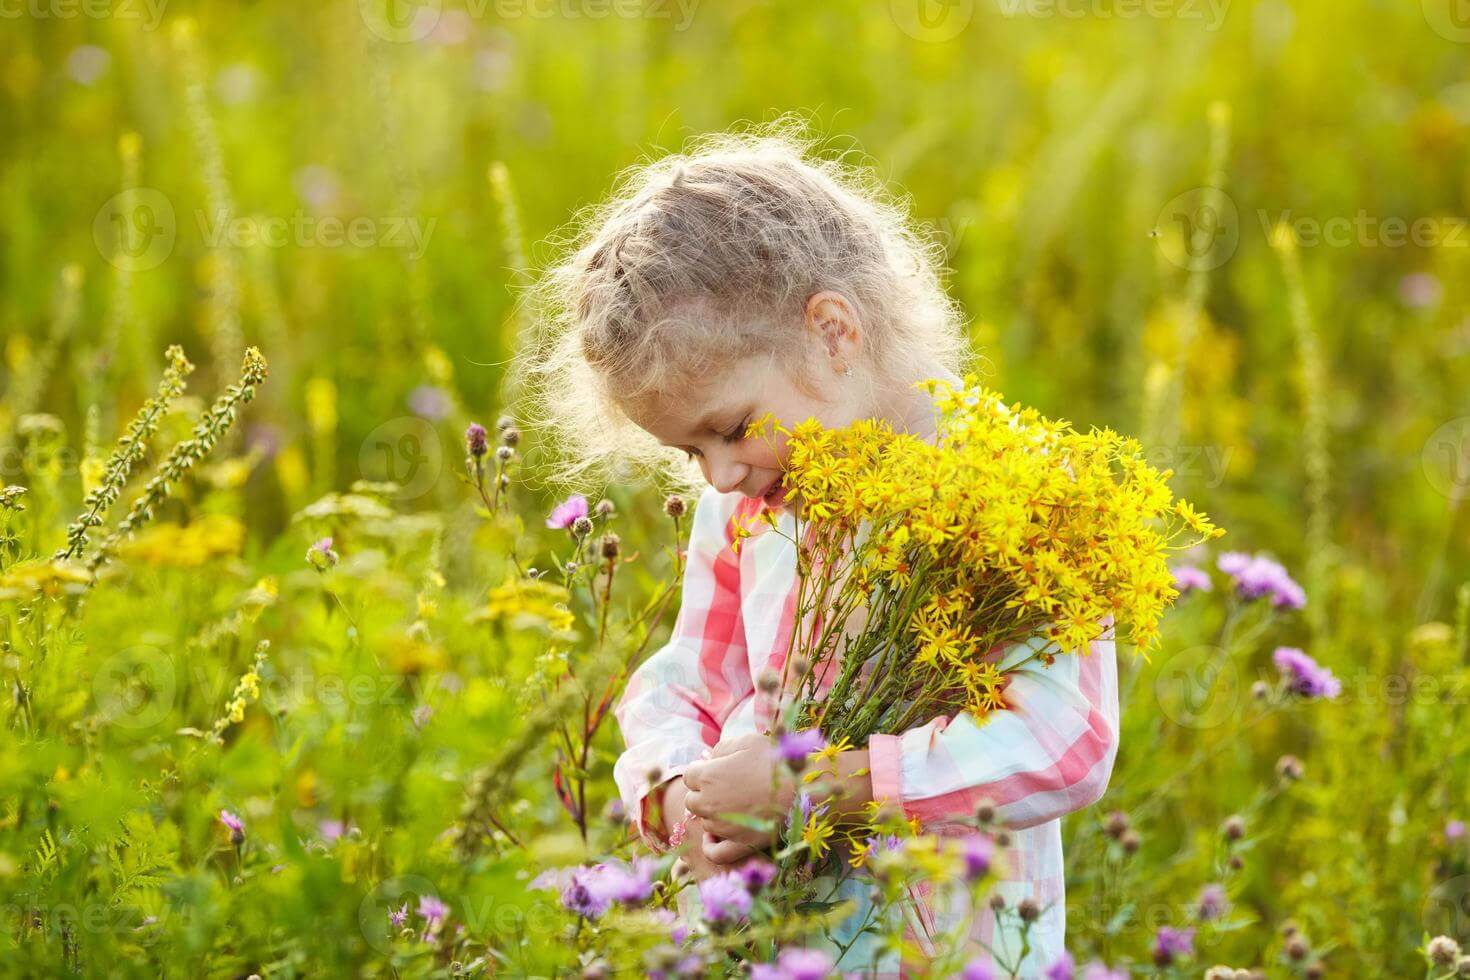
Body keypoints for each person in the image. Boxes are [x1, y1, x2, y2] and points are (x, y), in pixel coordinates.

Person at [515, 119, 1119, 975]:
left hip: (952, 951)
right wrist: (682, 795)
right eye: (689, 452)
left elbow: (1067, 738)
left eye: (729, 428)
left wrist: (828, 790)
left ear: (834, 333)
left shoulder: (1016, 499)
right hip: (774, 945)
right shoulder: (746, 510)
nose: (718, 475)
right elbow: (685, 681)